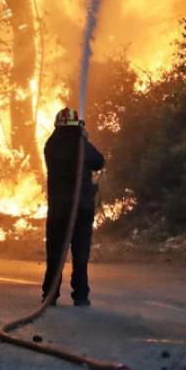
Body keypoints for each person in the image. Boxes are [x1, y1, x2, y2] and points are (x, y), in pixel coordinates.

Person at [41, 107, 105, 306]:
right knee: (81, 253)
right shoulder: (80, 145)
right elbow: (99, 162)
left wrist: (81, 139)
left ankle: (50, 295)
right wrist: (83, 138)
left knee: (55, 255)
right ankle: (80, 295)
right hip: (81, 209)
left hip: (59, 210)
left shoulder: (50, 146)